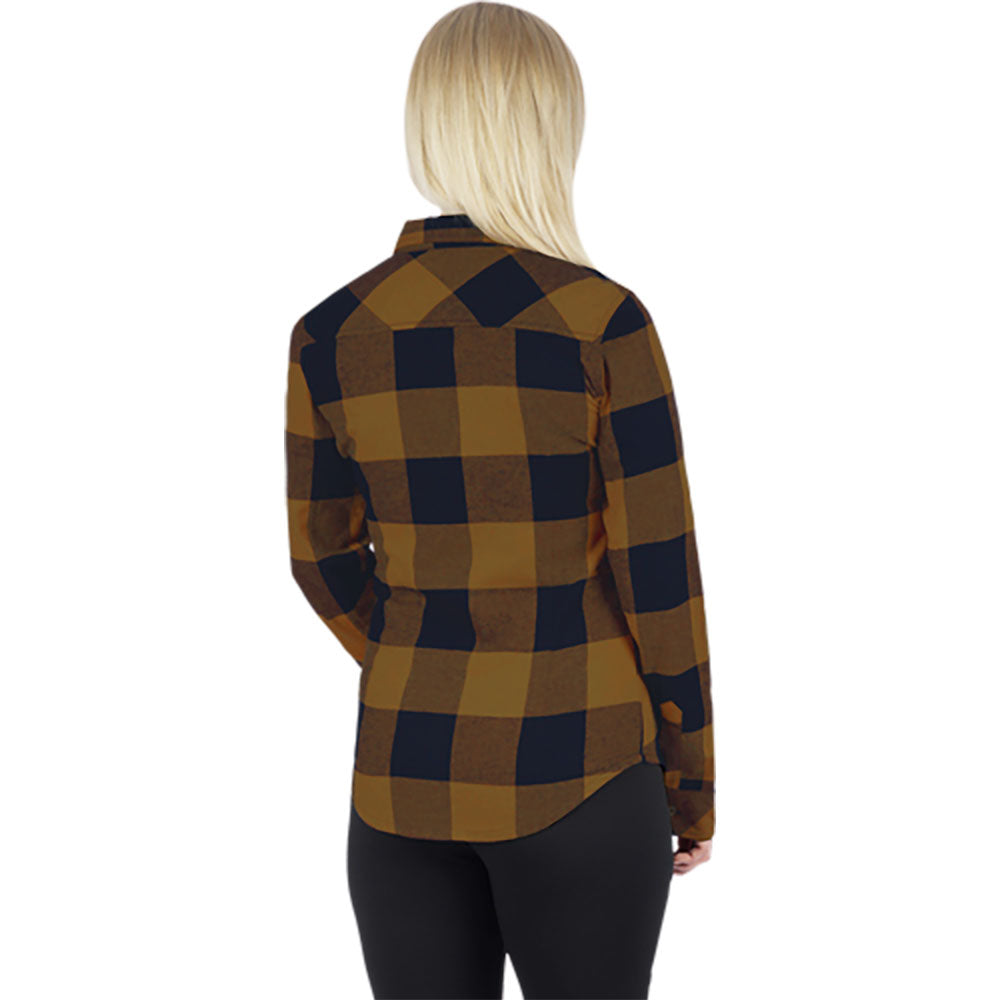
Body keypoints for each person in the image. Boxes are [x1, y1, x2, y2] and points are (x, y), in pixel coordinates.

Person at [284, 3, 715, 997]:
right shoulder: (601, 323)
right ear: (551, 129)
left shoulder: (330, 333)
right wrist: (690, 783)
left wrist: (424, 651)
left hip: (401, 781)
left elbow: (320, 557)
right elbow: (659, 578)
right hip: (584, 771)